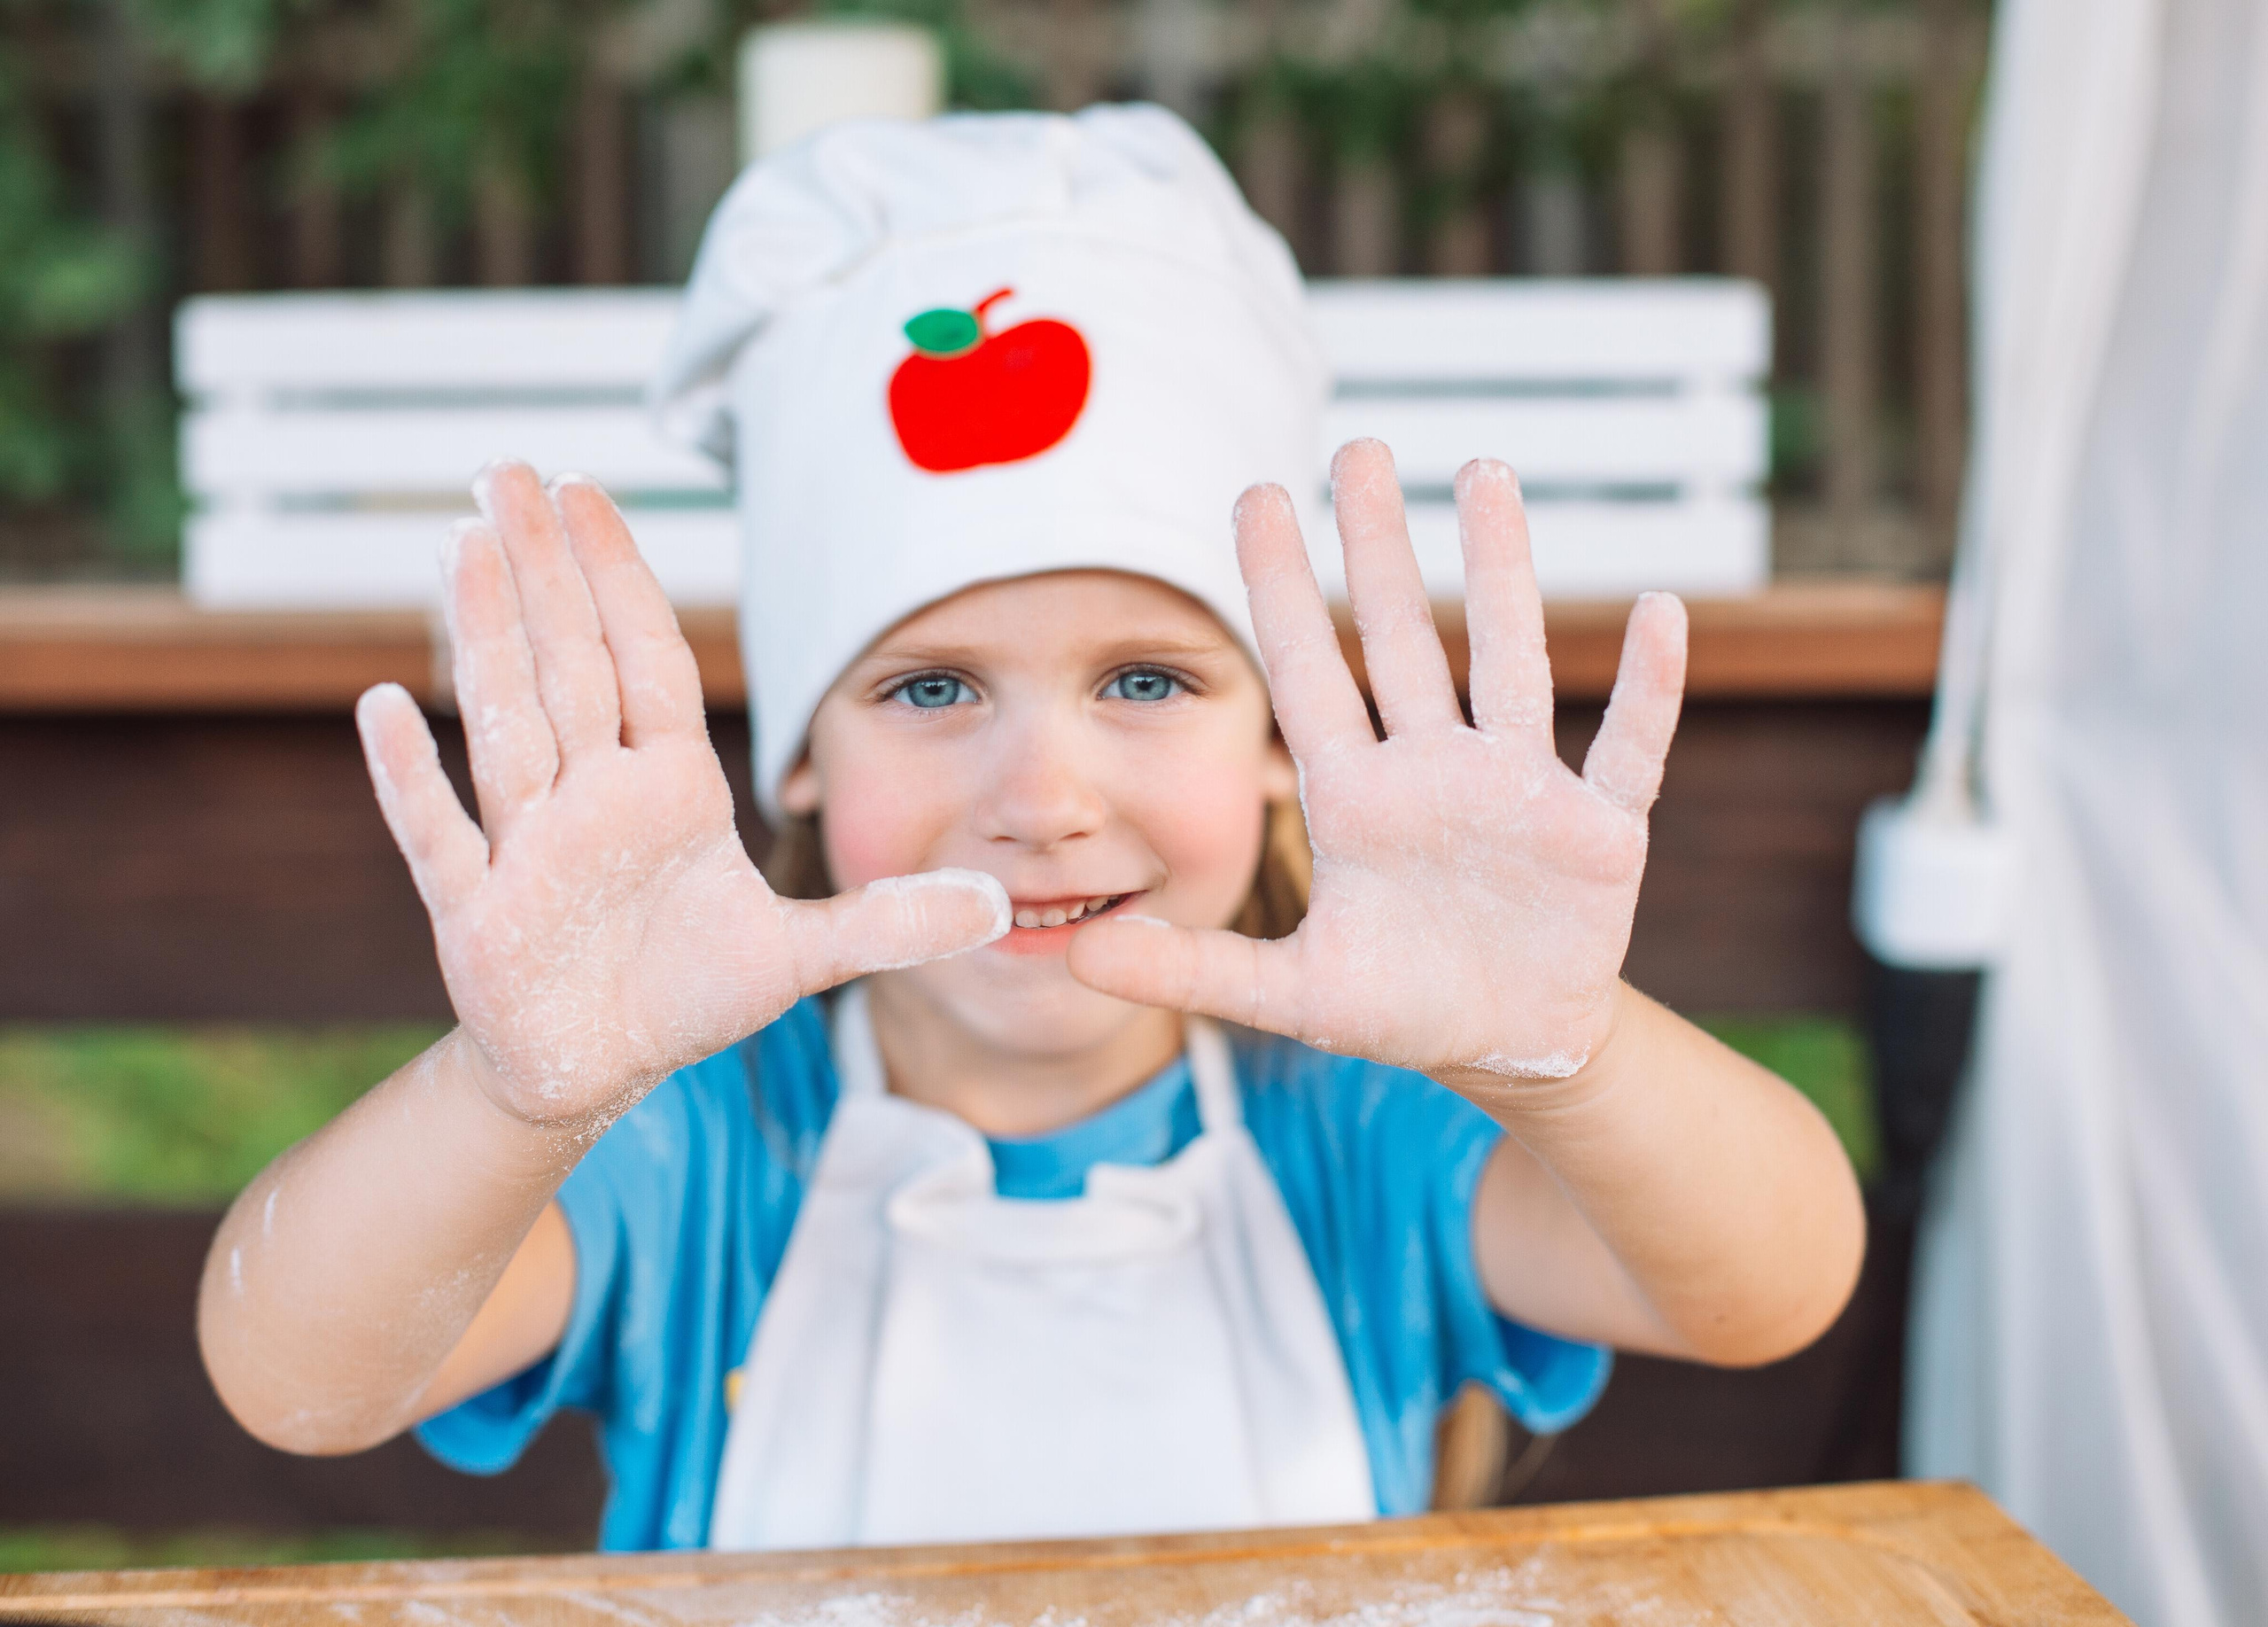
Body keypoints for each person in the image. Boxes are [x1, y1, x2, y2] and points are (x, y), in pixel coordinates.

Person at [195, 105, 1863, 1553]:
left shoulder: (1362, 1135)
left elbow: (1766, 1284)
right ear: (791, 764)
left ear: (1289, 746)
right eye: (930, 691)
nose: (1043, 801)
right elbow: (299, 1380)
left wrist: (1560, 1052)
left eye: (1145, 678)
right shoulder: (697, 1150)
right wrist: (515, 1095)